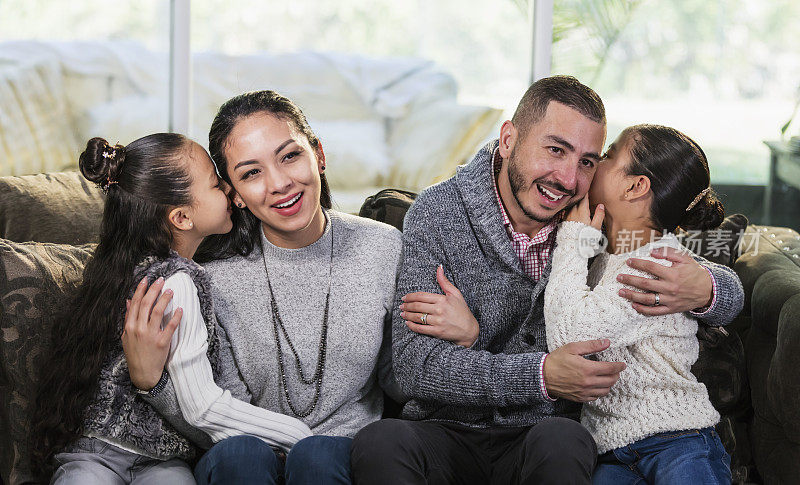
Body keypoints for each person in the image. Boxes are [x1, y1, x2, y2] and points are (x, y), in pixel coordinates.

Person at [349, 76, 744, 484]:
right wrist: (539, 375)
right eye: (555, 150)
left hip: (543, 437)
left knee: (565, 439)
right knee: (381, 441)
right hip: (446, 430)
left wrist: (707, 289)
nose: (569, 179)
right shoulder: (438, 213)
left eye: (589, 161)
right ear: (508, 140)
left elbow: (672, 253)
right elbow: (414, 367)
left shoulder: (593, 219)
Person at [122, 90, 405, 485]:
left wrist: (456, 339)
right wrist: (151, 383)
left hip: (341, 457)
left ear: (318, 155)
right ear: (234, 194)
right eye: (251, 173)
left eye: (290, 155)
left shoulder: (383, 247)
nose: (279, 183)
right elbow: (208, 410)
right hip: (244, 457)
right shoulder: (208, 277)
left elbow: (401, 378)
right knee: (242, 455)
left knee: (318, 456)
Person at [30, 134, 312, 484]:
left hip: (122, 453)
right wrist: (300, 436)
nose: (227, 189)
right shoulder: (178, 282)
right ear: (181, 217)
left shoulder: (118, 268)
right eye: (214, 183)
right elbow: (203, 406)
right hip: (140, 457)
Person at [544, 124, 731, 483]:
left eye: (609, 154)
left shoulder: (655, 264)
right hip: (612, 451)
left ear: (635, 186)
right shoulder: (604, 256)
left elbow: (571, 337)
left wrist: (571, 240)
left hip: (676, 441)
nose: (595, 161)